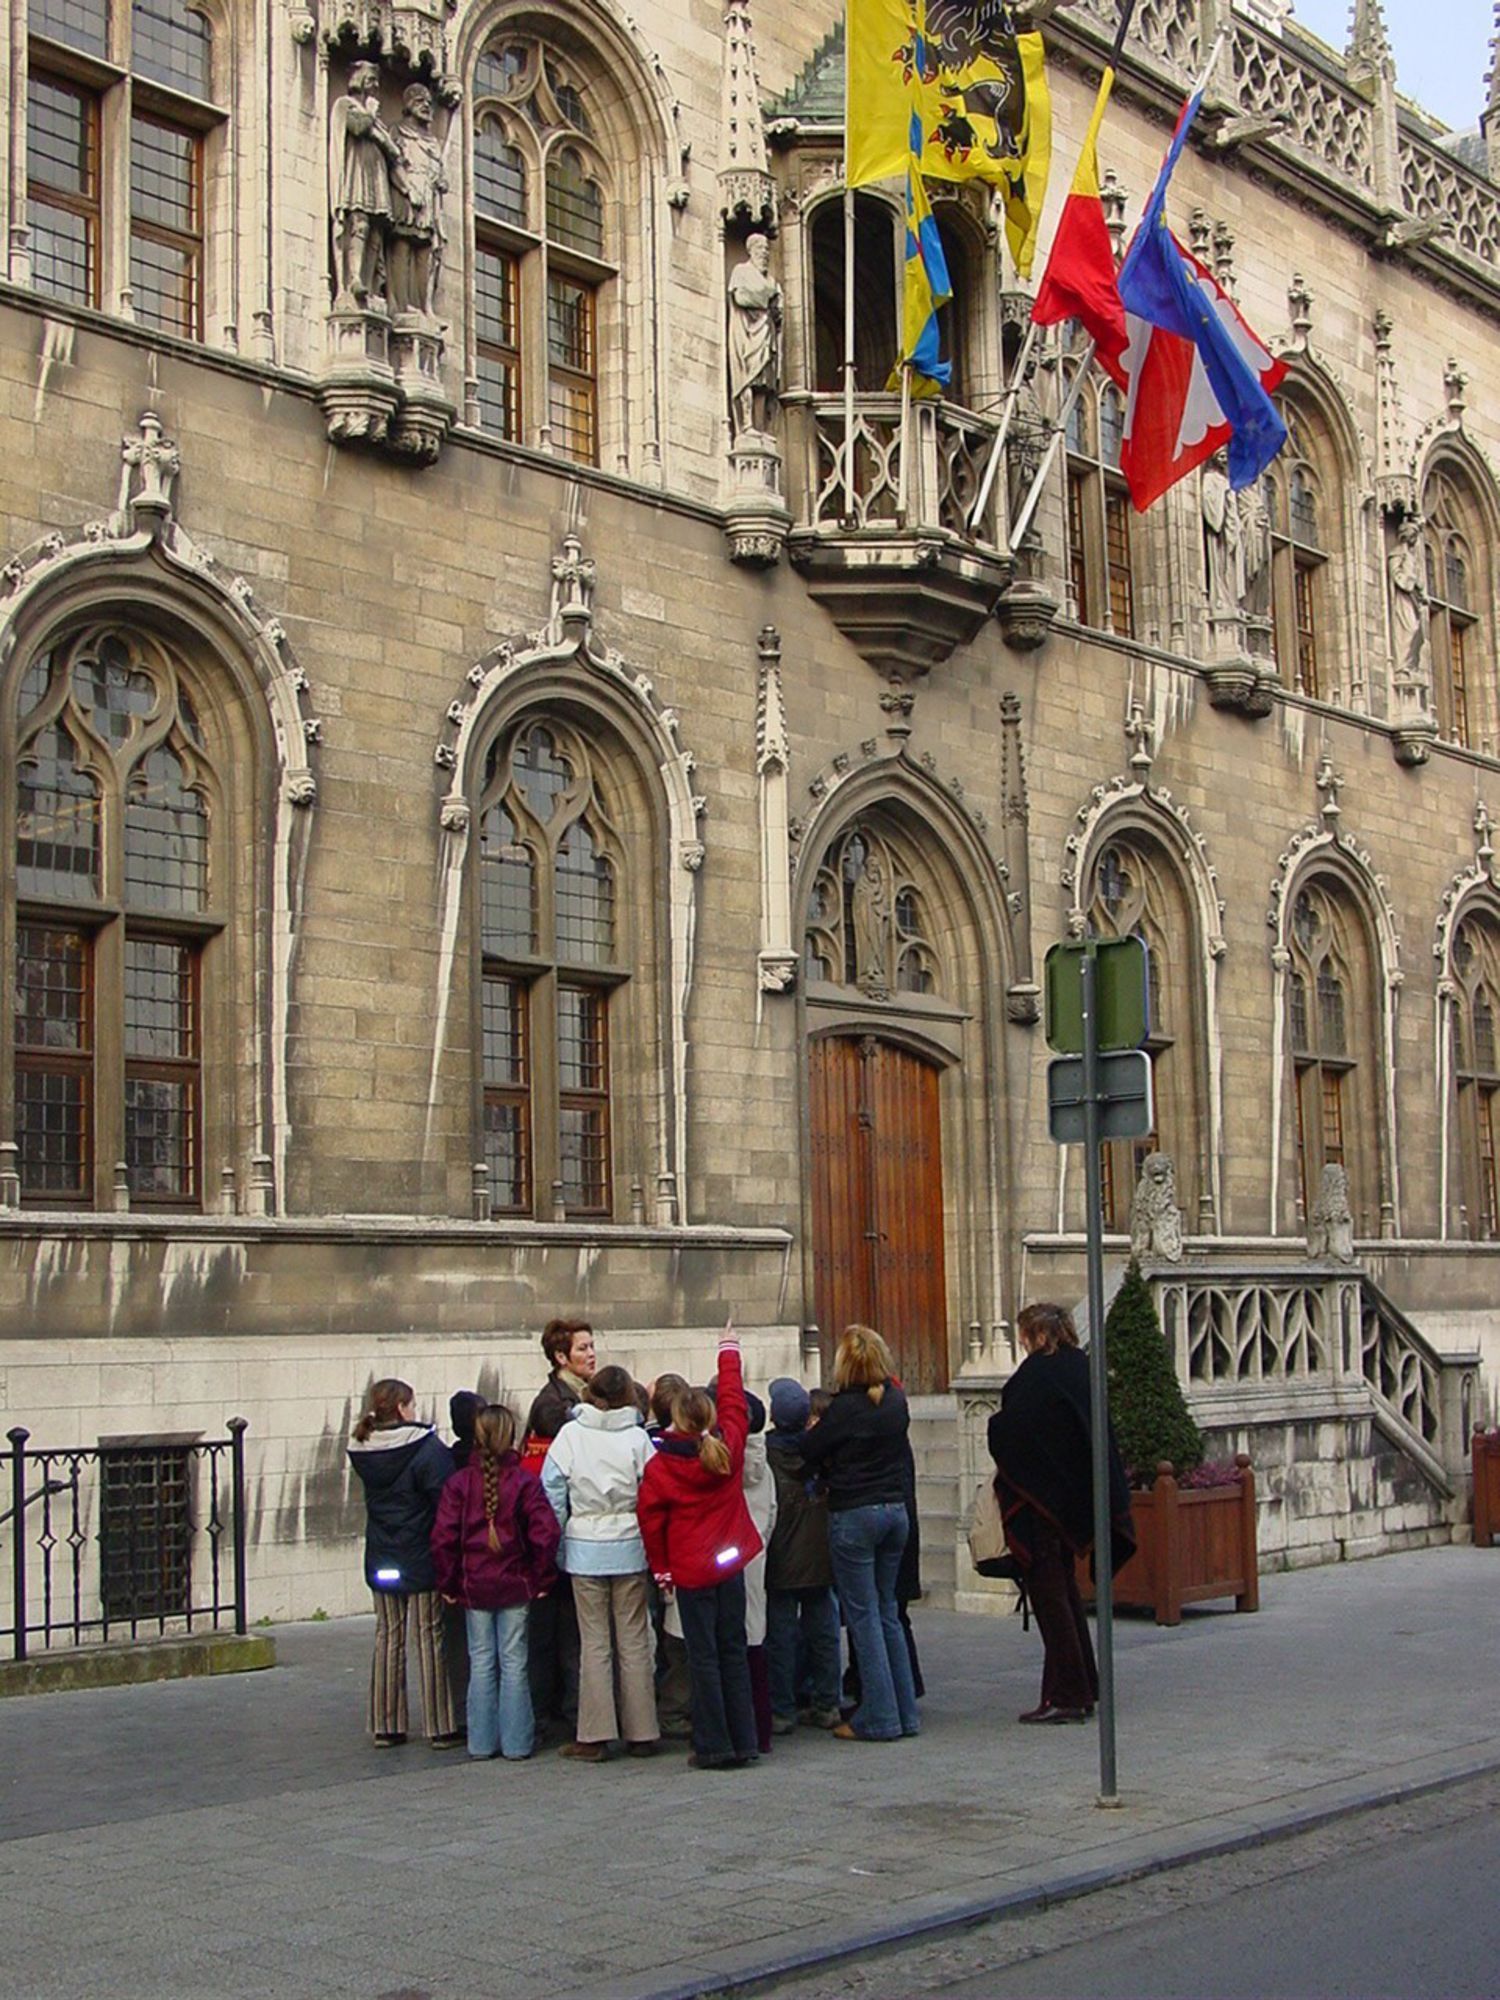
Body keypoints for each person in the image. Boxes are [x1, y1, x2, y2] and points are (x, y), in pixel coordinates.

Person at [986, 1301, 1135, 1724]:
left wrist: (996, 1429)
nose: (1022, 1345)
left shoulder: (1037, 1376)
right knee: (1064, 1592)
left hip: (1041, 1509)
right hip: (1070, 1502)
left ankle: (1069, 1694)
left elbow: (1012, 1432)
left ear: (1037, 1335)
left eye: (1024, 1337)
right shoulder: (1080, 1367)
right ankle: (1083, 1680)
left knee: (1051, 1599)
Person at [637, 1328, 762, 1769]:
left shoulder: (661, 1465)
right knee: (734, 1648)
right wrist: (729, 1353)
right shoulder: (727, 1447)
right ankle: (744, 1738)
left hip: (690, 1570)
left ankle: (713, 1744)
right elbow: (733, 1402)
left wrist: (662, 1569)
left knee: (703, 1656)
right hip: (728, 1562)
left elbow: (651, 1522)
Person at [793, 1325, 919, 1743]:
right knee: (887, 1612)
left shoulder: (844, 1409)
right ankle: (904, 1711)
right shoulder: (896, 1401)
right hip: (895, 1511)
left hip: (856, 1513)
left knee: (863, 1617)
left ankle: (879, 1716)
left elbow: (809, 1450)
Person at [542, 1364, 660, 1761]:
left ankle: (593, 1735)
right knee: (634, 1639)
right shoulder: (637, 1438)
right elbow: (652, 1493)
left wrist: (559, 1547)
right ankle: (642, 1731)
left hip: (585, 1545)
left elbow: (552, 1491)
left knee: (593, 1643)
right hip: (629, 1543)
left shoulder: (570, 1435)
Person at [430, 1403, 561, 1760]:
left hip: (474, 1584)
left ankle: (481, 1742)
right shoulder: (523, 1482)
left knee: (482, 1661)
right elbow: (545, 1533)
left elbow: (443, 1538)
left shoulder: (459, 1484)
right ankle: (517, 1743)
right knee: (514, 1662)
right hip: (516, 1583)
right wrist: (541, 1576)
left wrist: (450, 1583)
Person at [348, 1378, 460, 1747]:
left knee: (387, 1635)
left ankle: (386, 1723)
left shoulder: (362, 1448)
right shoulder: (425, 1449)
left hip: (382, 1552)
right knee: (429, 1635)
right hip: (422, 1555)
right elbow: (446, 1500)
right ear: (401, 1408)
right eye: (411, 1405)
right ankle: (440, 1725)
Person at [524, 1318, 596, 1737]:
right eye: (583, 1347)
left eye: (591, 1346)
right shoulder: (552, 1404)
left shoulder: (589, 1392)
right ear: (560, 1357)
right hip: (559, 1531)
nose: (591, 1353)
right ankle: (562, 1712)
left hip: (576, 1528)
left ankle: (571, 1707)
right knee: (561, 1630)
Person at [764, 1378, 841, 1733]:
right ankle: (827, 1701)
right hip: (818, 1550)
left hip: (781, 1554)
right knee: (823, 1627)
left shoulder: (768, 1454)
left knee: (780, 1633)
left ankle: (781, 1707)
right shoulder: (820, 1450)